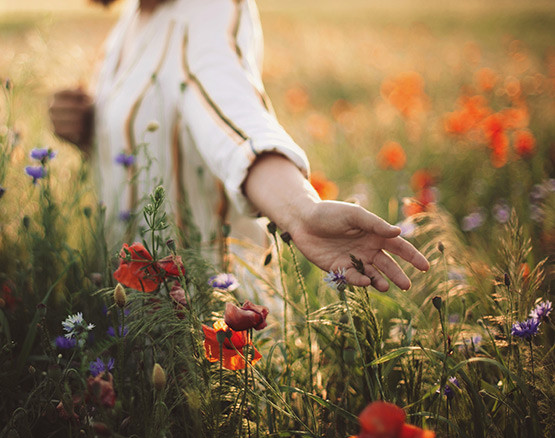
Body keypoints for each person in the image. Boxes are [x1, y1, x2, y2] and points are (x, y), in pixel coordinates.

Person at [49, 0, 429, 291]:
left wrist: (299, 212)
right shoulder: (132, 18)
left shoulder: (207, 8)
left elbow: (233, 120)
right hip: (135, 312)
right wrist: (86, 128)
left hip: (216, 322)